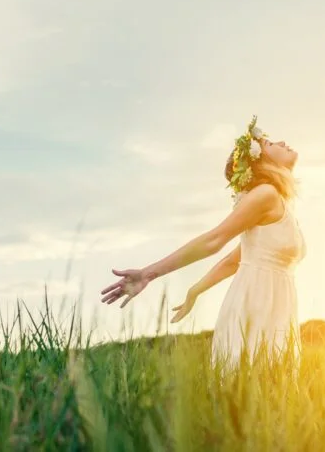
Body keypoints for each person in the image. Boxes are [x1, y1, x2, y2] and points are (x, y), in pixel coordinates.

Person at [100, 116, 306, 372]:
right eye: (271, 143)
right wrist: (148, 274)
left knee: (271, 403)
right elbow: (214, 240)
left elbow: (235, 259)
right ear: (262, 161)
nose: (282, 142)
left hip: (276, 308)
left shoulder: (280, 204)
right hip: (257, 307)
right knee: (253, 396)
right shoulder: (266, 195)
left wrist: (195, 290)